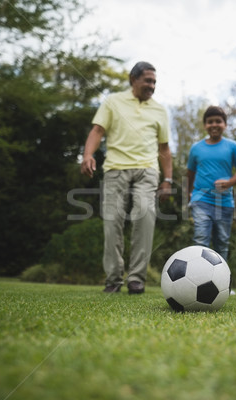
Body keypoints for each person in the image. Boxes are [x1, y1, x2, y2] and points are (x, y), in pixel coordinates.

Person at [81, 61, 173, 295]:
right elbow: (97, 131)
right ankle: (113, 279)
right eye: (147, 81)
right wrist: (88, 155)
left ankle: (136, 279)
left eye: (154, 81)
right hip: (116, 168)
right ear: (133, 80)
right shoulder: (113, 101)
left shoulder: (159, 110)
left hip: (147, 169)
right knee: (112, 223)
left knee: (145, 216)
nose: (152, 85)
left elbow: (164, 148)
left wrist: (168, 181)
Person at [187, 106, 236, 271]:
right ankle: (197, 277)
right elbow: (190, 173)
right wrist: (189, 193)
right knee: (201, 239)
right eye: (210, 122)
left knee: (222, 243)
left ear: (225, 124)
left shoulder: (232, 146)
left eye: (218, 121)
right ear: (205, 125)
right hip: (201, 199)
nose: (214, 125)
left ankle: (222, 282)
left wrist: (230, 183)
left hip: (224, 201)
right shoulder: (196, 148)